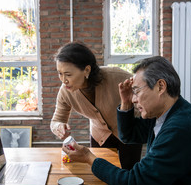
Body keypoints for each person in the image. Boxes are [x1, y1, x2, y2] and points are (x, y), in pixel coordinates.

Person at [63, 56, 191, 185]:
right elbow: (129, 136)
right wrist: (125, 102)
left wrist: (89, 157)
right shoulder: (168, 114)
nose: (134, 99)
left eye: (137, 91)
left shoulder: (180, 128)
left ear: (160, 87)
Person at [51, 41, 142, 169]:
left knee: (129, 173)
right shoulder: (65, 91)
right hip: (100, 136)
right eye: (60, 73)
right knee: (100, 174)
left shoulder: (116, 77)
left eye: (68, 74)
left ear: (86, 70)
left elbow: (144, 92)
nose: (63, 80)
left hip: (129, 133)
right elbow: (56, 120)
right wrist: (59, 127)